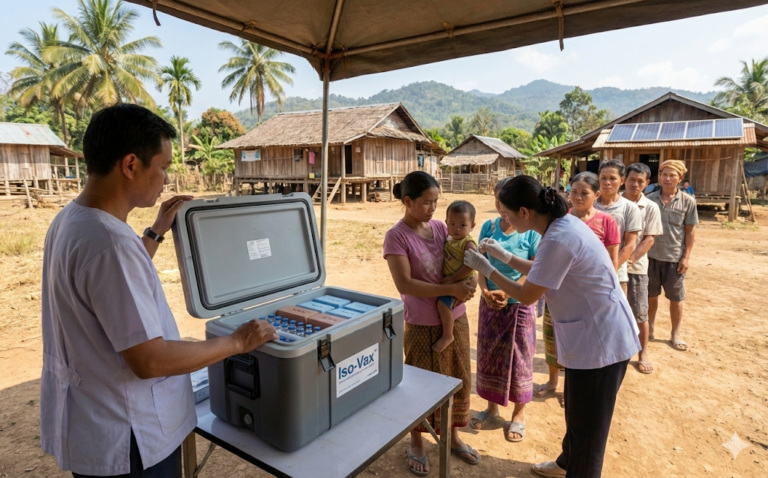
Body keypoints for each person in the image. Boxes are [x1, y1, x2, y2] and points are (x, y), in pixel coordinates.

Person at [40, 104, 278, 478]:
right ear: (131, 164)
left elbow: (109, 287)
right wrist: (236, 343)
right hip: (130, 439)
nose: (166, 178)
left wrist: (155, 232)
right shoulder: (110, 243)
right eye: (163, 166)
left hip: (95, 420)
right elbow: (149, 360)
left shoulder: (73, 219)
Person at [463, 175, 640, 478]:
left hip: (602, 344)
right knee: (577, 414)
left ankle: (578, 467)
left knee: (588, 433)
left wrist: (487, 267)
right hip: (592, 337)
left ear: (524, 213)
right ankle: (566, 463)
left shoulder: (558, 236)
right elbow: (546, 268)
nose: (502, 218)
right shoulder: (559, 228)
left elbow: (527, 294)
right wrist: (506, 256)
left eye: (506, 213)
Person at [383, 171, 480, 475]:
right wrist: (450, 289)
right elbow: (406, 284)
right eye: (427, 202)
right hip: (422, 323)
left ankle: (451, 437)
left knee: (456, 376)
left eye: (436, 201)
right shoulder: (396, 236)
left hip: (455, 318)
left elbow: (463, 259)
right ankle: (417, 442)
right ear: (408, 201)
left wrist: (468, 281)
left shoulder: (441, 228)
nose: (434, 208)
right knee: (421, 385)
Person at [535, 172, 623, 400]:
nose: (577, 196)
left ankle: (569, 387)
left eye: (584, 192)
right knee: (553, 338)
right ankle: (553, 380)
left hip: (586, 295)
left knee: (578, 343)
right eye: (573, 191)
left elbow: (611, 259)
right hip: (556, 288)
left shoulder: (606, 221)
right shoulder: (563, 218)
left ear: (596, 194)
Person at [469, 178, 540, 443]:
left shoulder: (531, 231)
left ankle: (519, 414)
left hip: (520, 304)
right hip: (490, 303)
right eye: (498, 200)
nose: (501, 207)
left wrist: (508, 292)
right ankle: (491, 408)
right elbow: (480, 263)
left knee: (521, 358)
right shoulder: (488, 227)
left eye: (506, 202)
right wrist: (486, 293)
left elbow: (534, 270)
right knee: (489, 355)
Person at [647, 160, 698, 351]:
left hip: (674, 258)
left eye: (672, 175)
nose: (667, 178)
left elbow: (690, 231)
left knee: (676, 298)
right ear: (659, 176)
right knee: (650, 296)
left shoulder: (688, 201)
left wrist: (686, 257)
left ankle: (675, 333)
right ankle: (649, 328)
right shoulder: (649, 199)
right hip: (650, 257)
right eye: (664, 174)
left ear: (680, 178)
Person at [623, 163, 664, 374]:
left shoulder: (651, 207)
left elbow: (649, 239)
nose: (635, 184)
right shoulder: (615, 203)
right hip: (609, 268)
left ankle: (643, 351)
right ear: (624, 179)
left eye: (641, 181)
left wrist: (627, 261)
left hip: (635, 268)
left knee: (640, 312)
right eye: (632, 180)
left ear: (647, 184)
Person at [434, 200, 478, 352]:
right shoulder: (451, 239)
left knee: (442, 304)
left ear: (472, 226)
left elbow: (472, 264)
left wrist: (453, 279)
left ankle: (448, 334)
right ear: (446, 222)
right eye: (452, 224)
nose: (456, 229)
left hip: (463, 280)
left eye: (463, 225)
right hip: (457, 280)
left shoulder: (467, 243)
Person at [595, 159, 642, 297]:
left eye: (612, 178)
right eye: (603, 178)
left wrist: (610, 269)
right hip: (587, 272)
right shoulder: (590, 205)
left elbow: (630, 245)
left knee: (613, 315)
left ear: (622, 180)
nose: (607, 182)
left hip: (616, 275)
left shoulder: (630, 208)